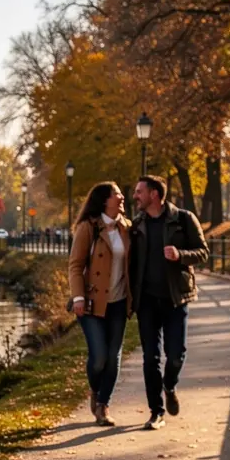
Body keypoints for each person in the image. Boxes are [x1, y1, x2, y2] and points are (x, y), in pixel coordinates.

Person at [129, 175, 209, 430]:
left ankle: (169, 385)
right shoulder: (137, 224)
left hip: (175, 299)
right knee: (150, 358)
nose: (136, 196)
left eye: (139, 191)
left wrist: (180, 255)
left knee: (176, 355)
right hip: (147, 302)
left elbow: (203, 252)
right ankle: (156, 412)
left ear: (154, 194)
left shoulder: (183, 219)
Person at [67, 182, 130, 427]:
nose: (122, 197)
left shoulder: (127, 227)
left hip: (118, 301)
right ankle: (95, 390)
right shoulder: (88, 228)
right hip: (92, 303)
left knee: (113, 357)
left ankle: (103, 405)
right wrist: (78, 298)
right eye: (117, 194)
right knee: (99, 357)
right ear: (105, 200)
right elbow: (75, 265)